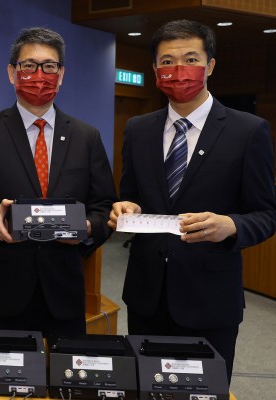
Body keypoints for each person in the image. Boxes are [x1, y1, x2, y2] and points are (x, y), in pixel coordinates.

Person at [108, 20, 276, 381]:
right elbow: (132, 195)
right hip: (146, 295)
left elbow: (266, 213)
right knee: (145, 386)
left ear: (210, 65)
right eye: (166, 61)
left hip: (210, 299)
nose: (177, 70)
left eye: (190, 58)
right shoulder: (138, 129)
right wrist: (126, 207)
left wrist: (232, 225)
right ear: (154, 69)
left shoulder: (248, 131)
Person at [0, 27, 116, 335]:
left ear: (61, 74)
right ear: (11, 73)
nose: (38, 74)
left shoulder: (86, 136)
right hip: (0, 291)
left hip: (64, 292)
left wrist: (86, 229)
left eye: (49, 66)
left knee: (62, 380)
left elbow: (104, 204)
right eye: (28, 65)